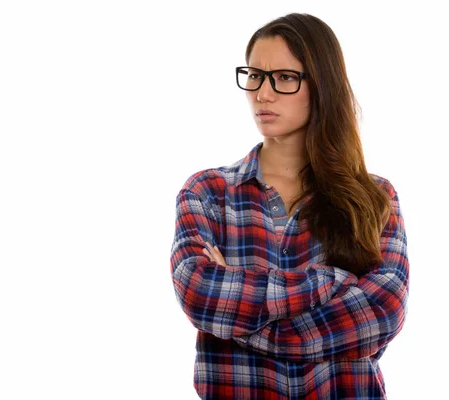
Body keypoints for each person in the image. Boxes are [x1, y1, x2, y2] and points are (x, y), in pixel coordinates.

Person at [169, 12, 409, 400]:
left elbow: (383, 309)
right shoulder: (207, 192)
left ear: (322, 84)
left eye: (284, 78)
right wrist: (333, 281)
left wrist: (242, 319)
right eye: (254, 76)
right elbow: (199, 292)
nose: (262, 94)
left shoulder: (375, 198)